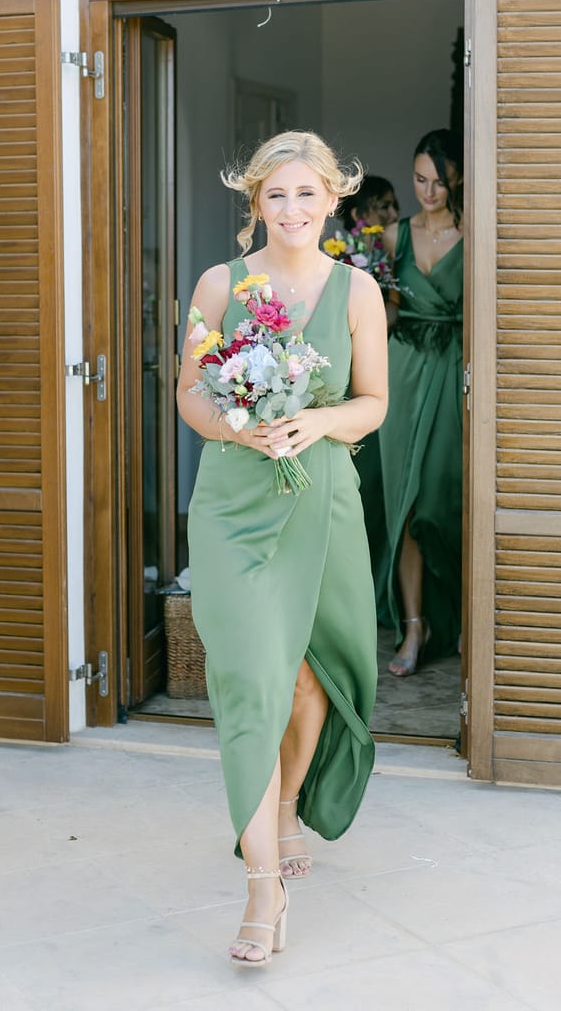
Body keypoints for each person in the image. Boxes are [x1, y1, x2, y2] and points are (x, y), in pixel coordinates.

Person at [177, 131, 388, 966]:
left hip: (321, 502)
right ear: (255, 202)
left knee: (307, 679)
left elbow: (372, 402)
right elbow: (191, 392)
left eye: (307, 193)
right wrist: (238, 425)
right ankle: (263, 889)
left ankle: (288, 801)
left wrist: (318, 421)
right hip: (232, 507)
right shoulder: (219, 284)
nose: (292, 209)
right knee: (249, 682)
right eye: (276, 194)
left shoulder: (358, 290)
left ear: (332, 199)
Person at [379, 128, 464, 676]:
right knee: (406, 506)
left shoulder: (474, 232)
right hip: (403, 370)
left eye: (438, 182)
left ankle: (462, 613)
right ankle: (414, 627)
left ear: (458, 179)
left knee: (442, 503)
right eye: (418, 179)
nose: (427, 192)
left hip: (454, 367)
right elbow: (387, 311)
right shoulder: (393, 237)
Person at [336, 175, 400, 623]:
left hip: (384, 386)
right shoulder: (335, 267)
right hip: (342, 394)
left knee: (379, 492)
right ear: (361, 215)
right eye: (384, 206)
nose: (394, 215)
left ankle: (380, 597)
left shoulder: (387, 262)